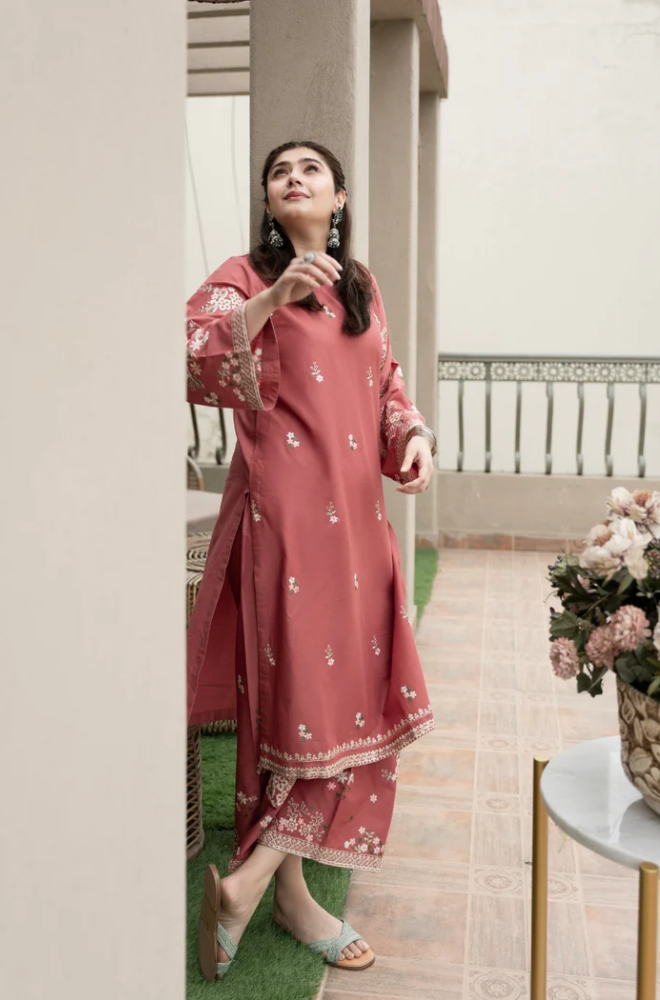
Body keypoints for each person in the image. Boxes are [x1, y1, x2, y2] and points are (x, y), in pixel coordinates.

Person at [186, 140, 437, 981]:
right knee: (300, 707)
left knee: (356, 702)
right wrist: (271, 302)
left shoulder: (358, 284)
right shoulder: (242, 277)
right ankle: (281, 893)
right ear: (268, 200)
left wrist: (415, 435)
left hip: (360, 531)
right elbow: (189, 353)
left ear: (338, 200)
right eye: (279, 171)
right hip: (284, 525)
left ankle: (262, 886)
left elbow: (387, 387)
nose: (294, 178)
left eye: (311, 171)